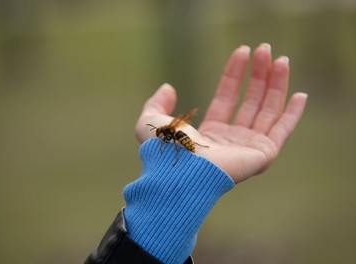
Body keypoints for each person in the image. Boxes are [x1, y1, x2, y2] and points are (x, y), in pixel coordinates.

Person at [85, 43, 308, 264]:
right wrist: (189, 174)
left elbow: (172, 141)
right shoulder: (169, 135)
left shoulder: (171, 136)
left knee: (176, 143)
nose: (161, 137)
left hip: (188, 145)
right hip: (190, 148)